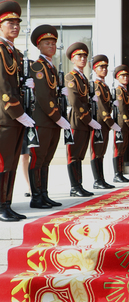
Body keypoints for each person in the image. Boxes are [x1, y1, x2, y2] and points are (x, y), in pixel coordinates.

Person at [0, 0, 37, 221]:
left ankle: (7, 203)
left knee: (12, 163)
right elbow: (4, 86)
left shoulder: (16, 53)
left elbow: (17, 82)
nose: (15, 26)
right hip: (5, 117)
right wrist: (17, 112)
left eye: (17, 23)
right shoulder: (1, 51)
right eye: (9, 22)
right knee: (3, 162)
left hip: (16, 118)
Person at [28, 24, 71, 208]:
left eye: (53, 43)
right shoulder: (37, 66)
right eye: (47, 43)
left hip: (52, 121)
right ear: (39, 46)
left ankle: (44, 194)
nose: (52, 46)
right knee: (38, 159)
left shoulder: (52, 67)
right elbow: (44, 96)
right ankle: (36, 196)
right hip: (43, 120)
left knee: (46, 159)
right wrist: (57, 117)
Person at [65, 42, 102, 197]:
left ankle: (79, 184)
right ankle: (74, 187)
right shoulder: (70, 77)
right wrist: (88, 119)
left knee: (80, 154)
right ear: (72, 59)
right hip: (77, 120)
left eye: (85, 56)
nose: (82, 58)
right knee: (73, 154)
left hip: (84, 121)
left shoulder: (83, 78)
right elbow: (75, 102)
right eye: (79, 56)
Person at [90, 55, 121, 189]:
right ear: (94, 69)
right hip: (98, 123)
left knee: (101, 151)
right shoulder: (96, 85)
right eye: (101, 67)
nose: (104, 69)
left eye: (106, 67)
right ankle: (97, 180)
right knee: (96, 151)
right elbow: (101, 107)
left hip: (104, 125)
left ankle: (101, 179)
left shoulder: (104, 86)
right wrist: (111, 122)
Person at [112, 65, 129, 182]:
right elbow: (122, 109)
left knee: (123, 148)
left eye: (127, 75)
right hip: (121, 124)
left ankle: (120, 173)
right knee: (118, 148)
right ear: (117, 77)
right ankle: (117, 174)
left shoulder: (125, 91)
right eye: (122, 76)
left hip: (125, 125)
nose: (125, 78)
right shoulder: (119, 90)